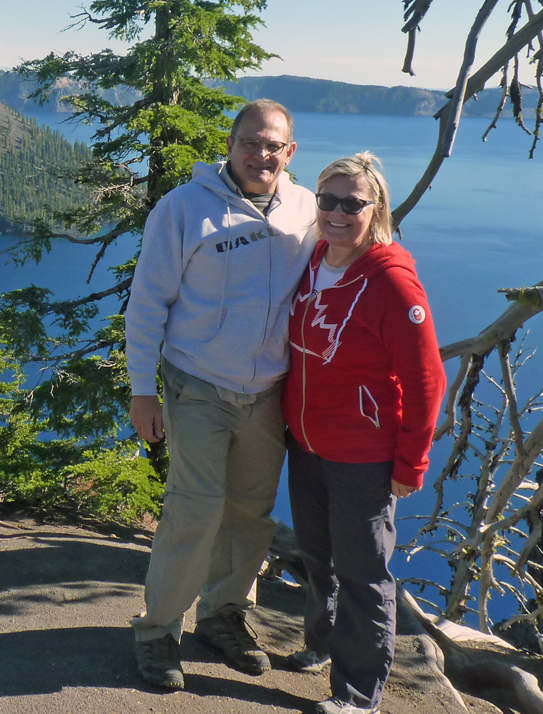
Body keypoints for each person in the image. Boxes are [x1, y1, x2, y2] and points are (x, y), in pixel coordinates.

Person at [126, 99, 319, 690]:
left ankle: (222, 615)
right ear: (230, 145)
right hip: (199, 383)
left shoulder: (307, 208)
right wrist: (142, 392)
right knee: (195, 508)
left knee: (249, 514)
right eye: (250, 142)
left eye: (273, 146)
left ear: (290, 152)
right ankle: (158, 631)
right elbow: (147, 302)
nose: (261, 154)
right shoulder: (184, 208)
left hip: (268, 391)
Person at [283, 154, 447, 714]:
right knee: (317, 555)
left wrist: (411, 465)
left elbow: (428, 381)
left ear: (375, 209)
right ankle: (324, 646)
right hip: (306, 443)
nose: (336, 212)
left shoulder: (393, 285)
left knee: (362, 573)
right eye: (327, 199)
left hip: (363, 454)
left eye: (352, 203)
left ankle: (358, 695)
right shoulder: (313, 262)